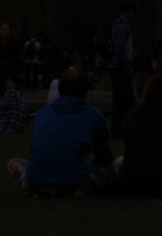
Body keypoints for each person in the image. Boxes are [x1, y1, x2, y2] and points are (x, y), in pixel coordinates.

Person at [18, 67, 114, 196]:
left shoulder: (42, 114)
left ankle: (34, 187)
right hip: (75, 184)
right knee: (115, 169)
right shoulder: (93, 115)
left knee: (14, 164)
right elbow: (104, 157)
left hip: (37, 183)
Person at [109, 4, 135, 137]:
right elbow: (119, 48)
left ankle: (120, 128)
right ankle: (120, 129)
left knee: (121, 100)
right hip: (120, 68)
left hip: (118, 67)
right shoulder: (121, 26)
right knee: (123, 100)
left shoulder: (120, 25)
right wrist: (126, 64)